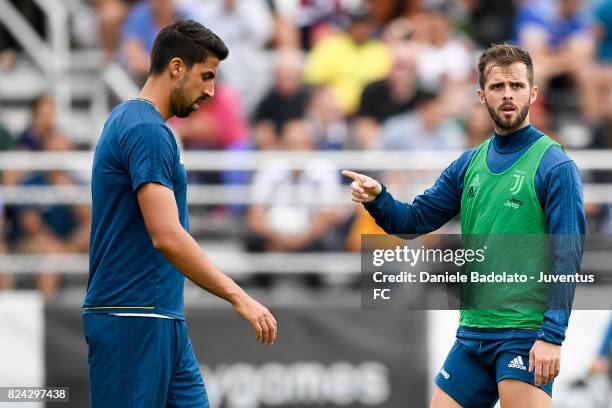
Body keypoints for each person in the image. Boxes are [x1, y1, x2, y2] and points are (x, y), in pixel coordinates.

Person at [343, 43, 585, 407]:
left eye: (516, 86)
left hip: (523, 333)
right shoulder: (468, 163)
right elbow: (413, 221)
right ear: (481, 95)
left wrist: (552, 335)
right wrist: (379, 198)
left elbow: (567, 256)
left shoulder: (554, 165)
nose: (507, 95)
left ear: (532, 93)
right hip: (473, 333)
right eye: (497, 87)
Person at [83, 19, 277, 407]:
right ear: (176, 67)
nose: (211, 90)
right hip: (132, 318)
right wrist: (239, 297)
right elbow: (166, 235)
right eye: (206, 76)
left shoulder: (138, 122)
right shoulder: (146, 130)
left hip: (161, 317)